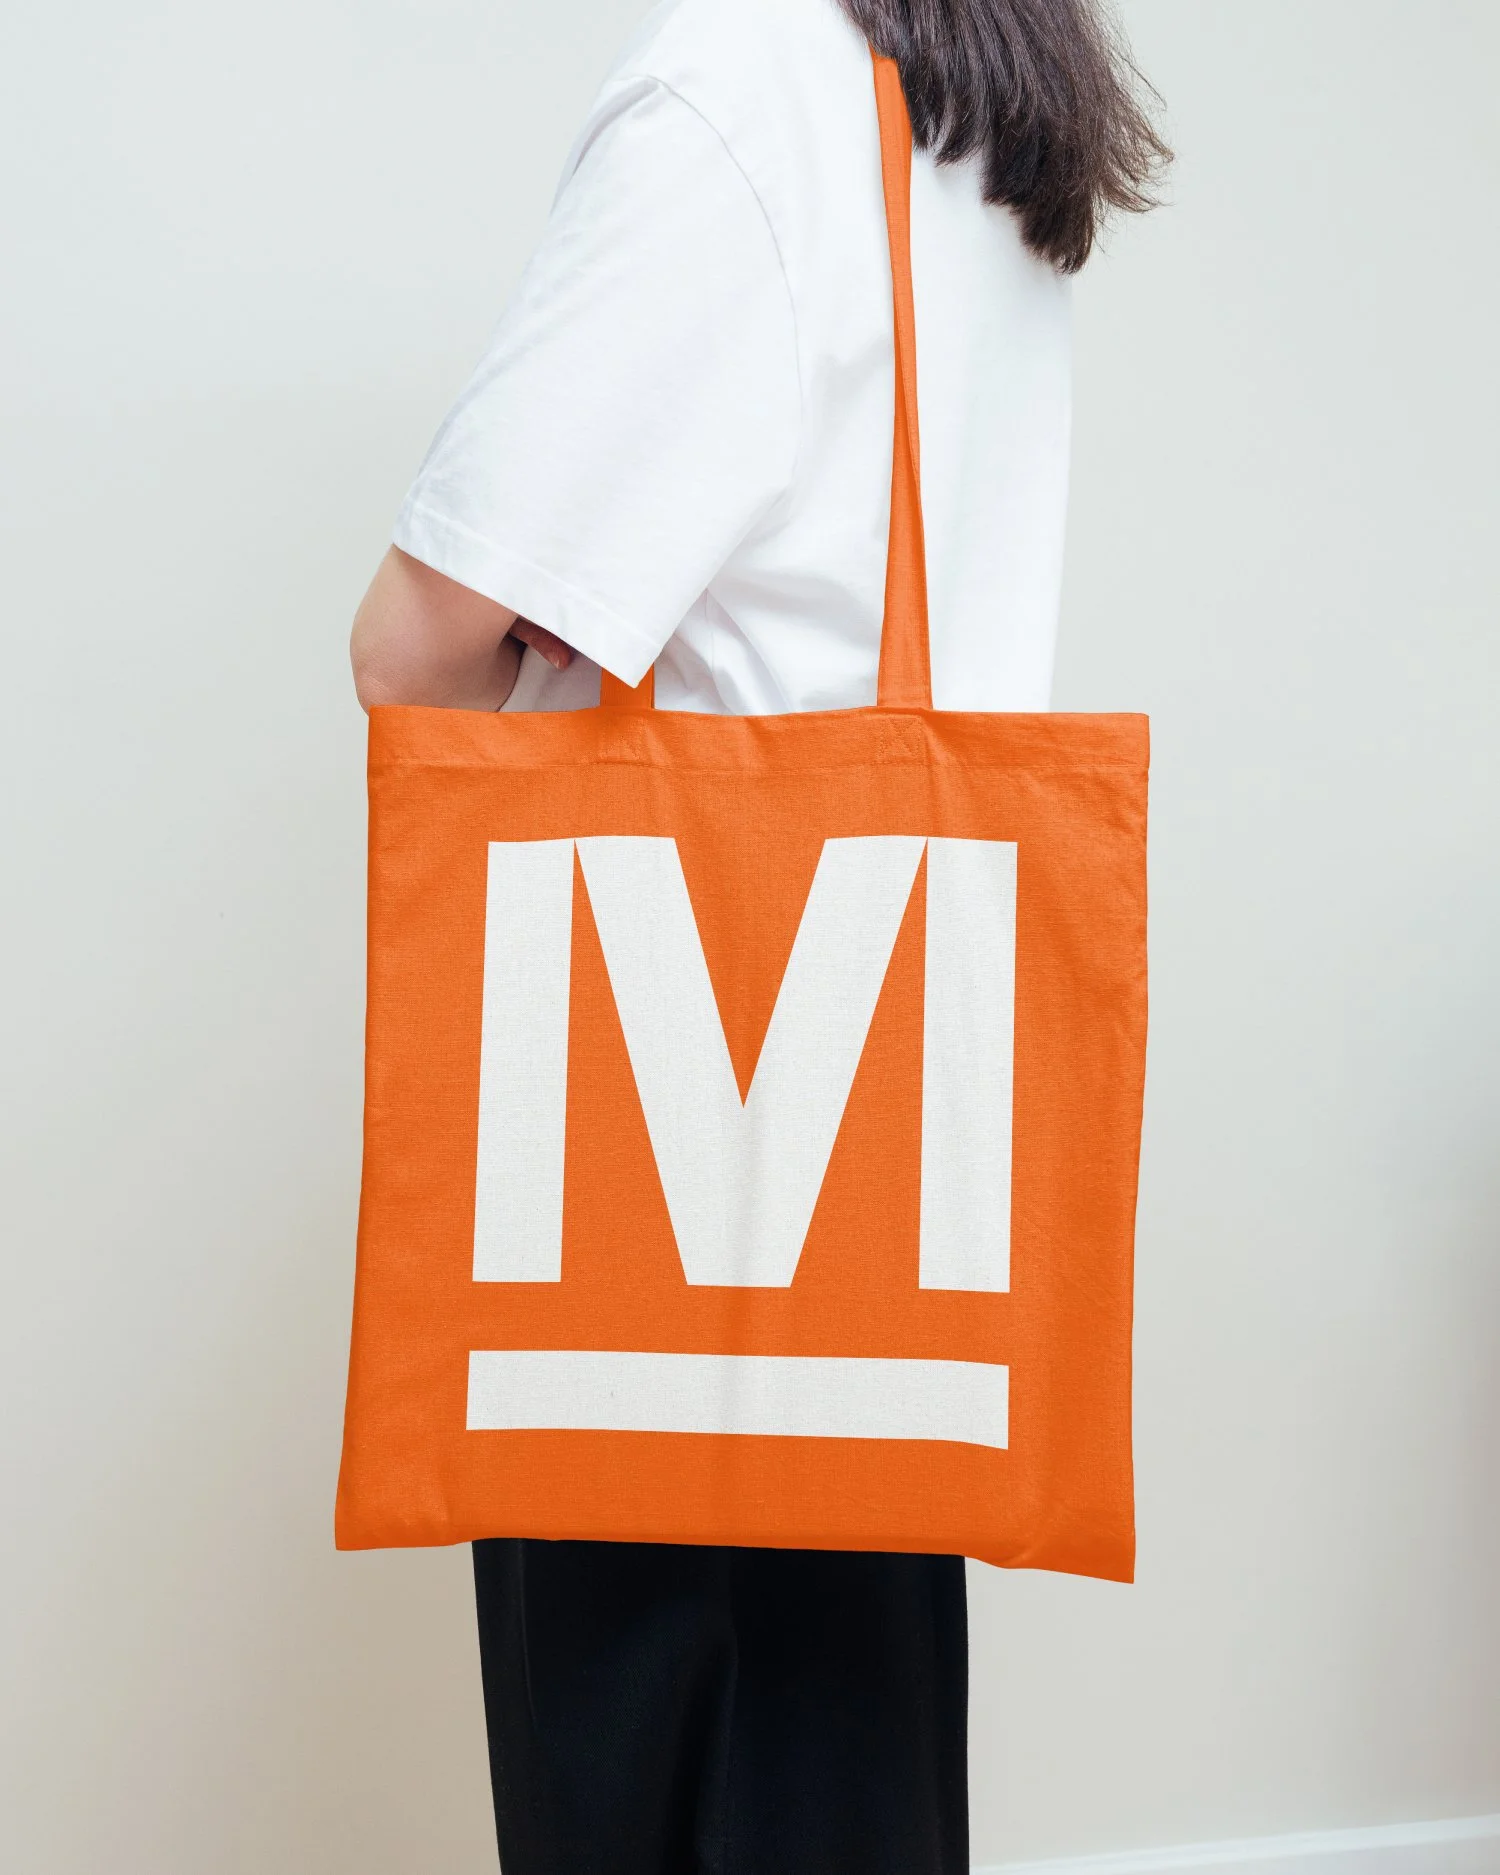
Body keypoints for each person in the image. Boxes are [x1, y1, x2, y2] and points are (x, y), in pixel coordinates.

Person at [350, 0, 1167, 1867]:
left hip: (661, 1133)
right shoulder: (962, 104)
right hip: (882, 1138)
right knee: (838, 1754)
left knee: (648, 1753)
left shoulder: (732, 92)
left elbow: (417, 644)